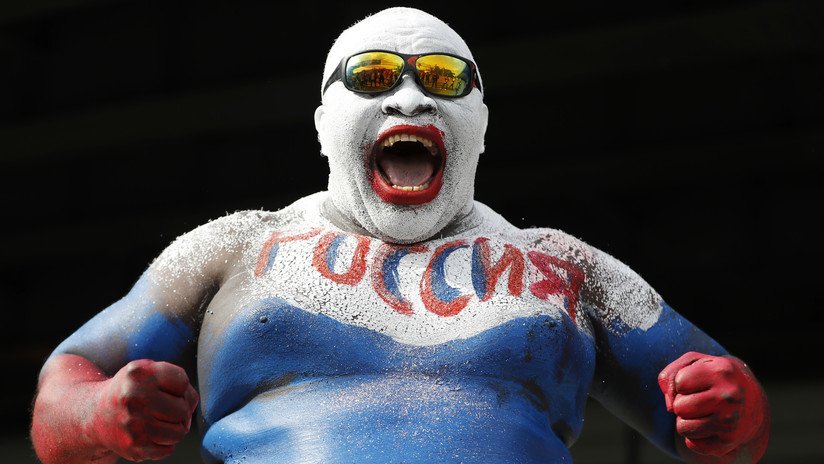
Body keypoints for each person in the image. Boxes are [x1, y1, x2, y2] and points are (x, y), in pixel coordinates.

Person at [30, 7, 770, 464]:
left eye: (446, 79)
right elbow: (64, 386)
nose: (411, 96)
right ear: (324, 125)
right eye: (375, 77)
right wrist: (100, 414)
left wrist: (735, 407)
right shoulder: (231, 248)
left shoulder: (567, 266)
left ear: (479, 124)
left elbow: (732, 424)